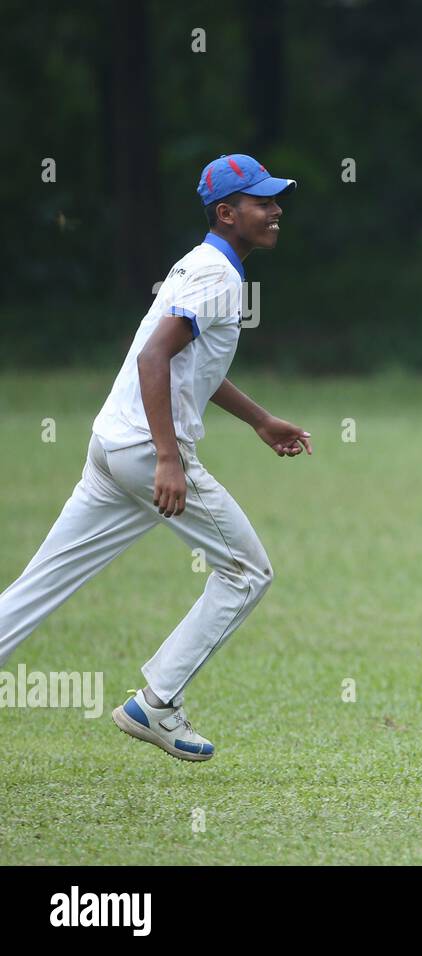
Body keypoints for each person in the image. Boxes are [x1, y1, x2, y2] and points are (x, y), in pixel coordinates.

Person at [0, 154, 311, 762]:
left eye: (276, 200)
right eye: (262, 202)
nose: (276, 211)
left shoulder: (203, 265)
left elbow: (186, 361)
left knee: (40, 584)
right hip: (146, 453)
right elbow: (152, 359)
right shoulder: (217, 275)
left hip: (111, 448)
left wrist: (260, 420)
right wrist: (169, 458)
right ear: (227, 213)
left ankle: (157, 700)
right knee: (247, 573)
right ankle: (157, 702)